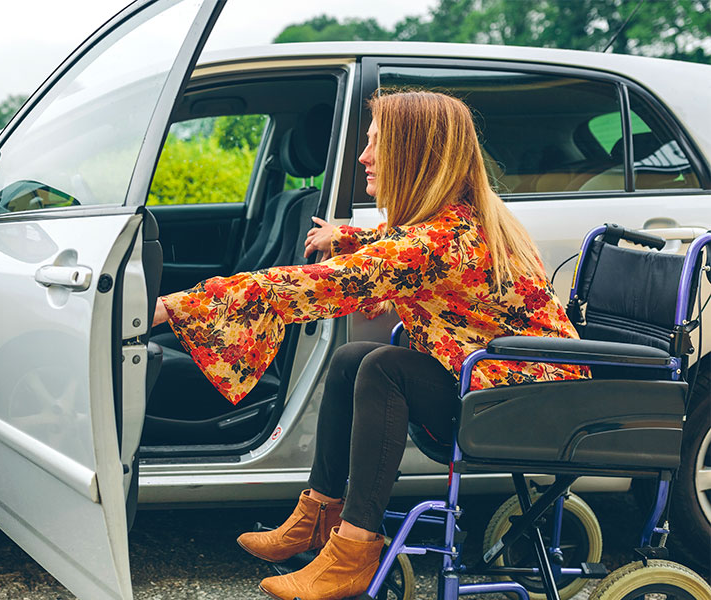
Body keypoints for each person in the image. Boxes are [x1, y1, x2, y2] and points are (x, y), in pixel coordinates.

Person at [152, 91, 587, 600]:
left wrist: (177, 306)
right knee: (351, 357)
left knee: (385, 367)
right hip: (496, 382)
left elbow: (325, 282)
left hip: (526, 401)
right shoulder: (450, 224)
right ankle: (319, 514)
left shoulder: (442, 243)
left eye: (376, 143)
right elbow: (396, 247)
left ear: (416, 156)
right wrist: (349, 237)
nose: (363, 156)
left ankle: (355, 546)